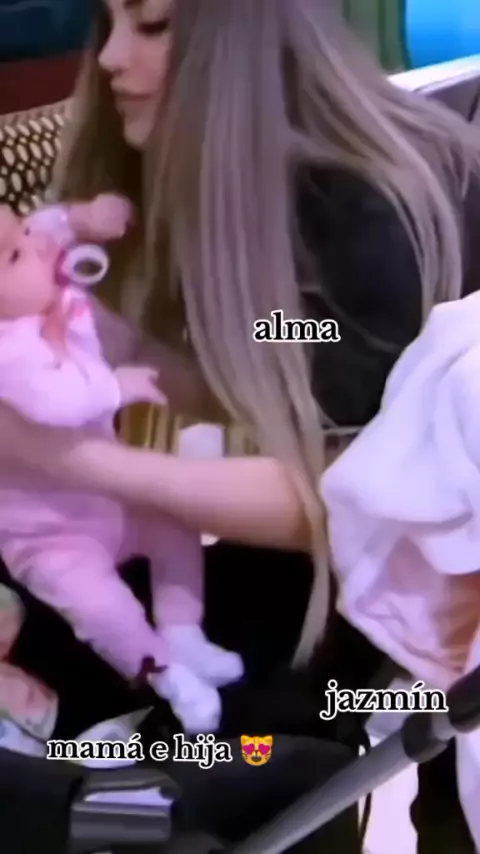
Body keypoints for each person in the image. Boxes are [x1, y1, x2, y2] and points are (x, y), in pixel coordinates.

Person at [0, 0, 480, 850]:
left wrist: (72, 458)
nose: (108, 58)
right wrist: (118, 347)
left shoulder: (368, 216)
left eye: (152, 25)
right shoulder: (191, 178)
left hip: (418, 579)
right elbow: (278, 382)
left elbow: (352, 492)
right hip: (358, 549)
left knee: (253, 750)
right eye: (108, 22)